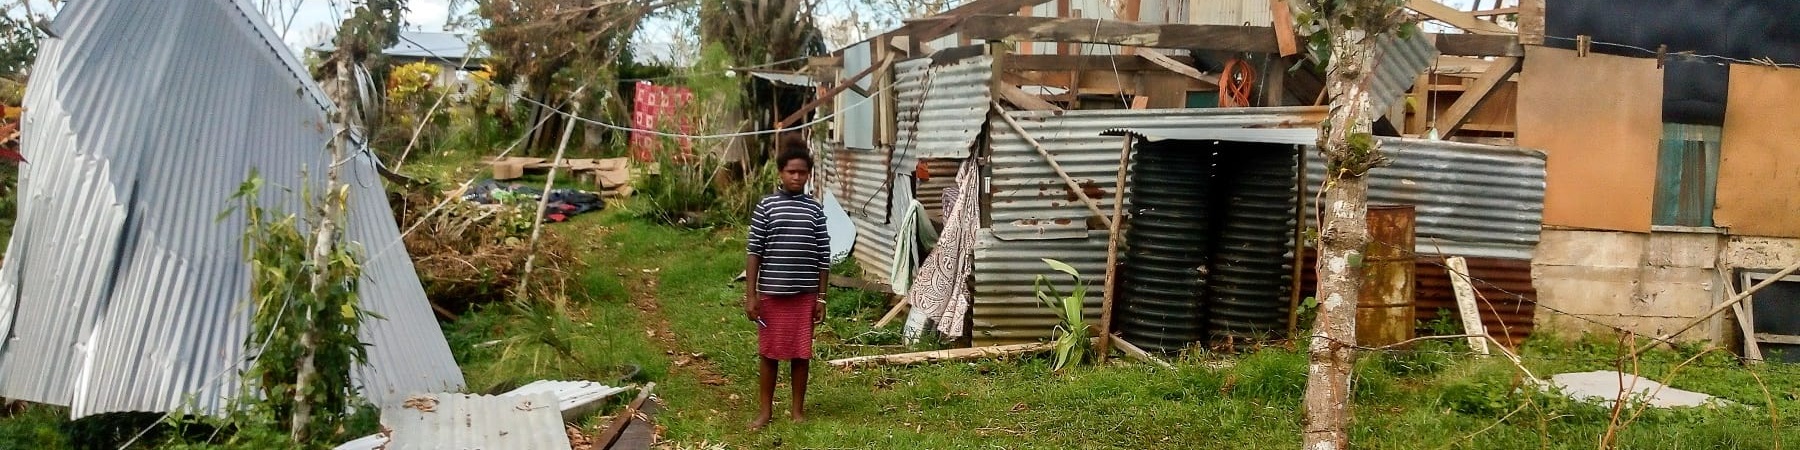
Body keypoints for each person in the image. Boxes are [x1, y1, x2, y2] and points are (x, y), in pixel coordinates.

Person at [744, 147, 830, 430]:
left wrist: (821, 298)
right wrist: (752, 295)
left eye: (802, 172)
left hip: (804, 296)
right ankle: (765, 412)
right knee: (769, 354)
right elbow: (754, 251)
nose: (797, 177)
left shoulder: (815, 208)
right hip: (771, 295)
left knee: (800, 354)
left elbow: (823, 256)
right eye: (791, 171)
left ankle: (797, 412)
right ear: (780, 173)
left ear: (808, 174)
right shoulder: (766, 207)